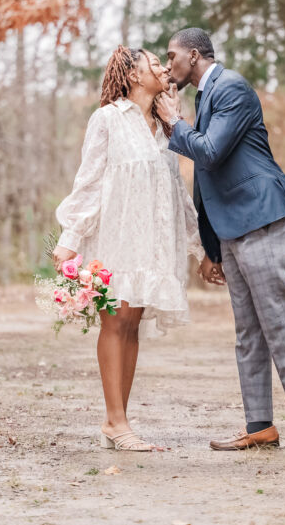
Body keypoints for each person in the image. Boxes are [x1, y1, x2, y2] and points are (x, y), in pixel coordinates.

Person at [154, 27, 285, 455]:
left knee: (277, 321)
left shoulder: (231, 87)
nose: (166, 62)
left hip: (263, 215)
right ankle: (260, 426)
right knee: (249, 331)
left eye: (171, 55)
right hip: (230, 225)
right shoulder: (202, 97)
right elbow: (205, 177)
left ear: (193, 56)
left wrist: (174, 123)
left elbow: (208, 152)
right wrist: (210, 249)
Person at [53, 46, 205, 452]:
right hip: (115, 239)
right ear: (134, 75)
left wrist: (199, 248)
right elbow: (89, 181)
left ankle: (116, 420)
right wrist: (70, 238)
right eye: (153, 62)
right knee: (115, 322)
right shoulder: (107, 119)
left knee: (133, 325)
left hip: (151, 246)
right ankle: (116, 422)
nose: (162, 67)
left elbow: (178, 193)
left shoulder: (165, 129)